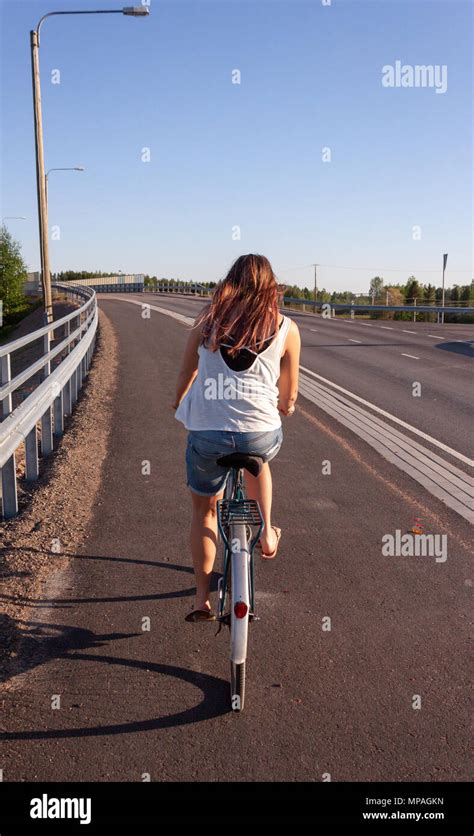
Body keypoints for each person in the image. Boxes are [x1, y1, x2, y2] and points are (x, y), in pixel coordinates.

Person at [172, 254, 301, 622]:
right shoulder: (286, 327)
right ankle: (267, 533)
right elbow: (289, 395)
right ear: (270, 287)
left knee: (204, 510)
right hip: (260, 433)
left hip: (208, 435)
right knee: (259, 460)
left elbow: (186, 373)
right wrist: (284, 406)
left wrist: (177, 400)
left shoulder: (207, 321)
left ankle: (201, 600)